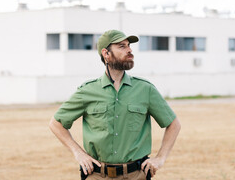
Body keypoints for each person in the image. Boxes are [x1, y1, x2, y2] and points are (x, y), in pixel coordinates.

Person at [49, 30, 181, 180]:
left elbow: (173, 124)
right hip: (96, 175)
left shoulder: (145, 89)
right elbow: (56, 123)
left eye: (129, 46)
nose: (129, 50)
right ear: (106, 53)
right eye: (122, 46)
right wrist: (78, 153)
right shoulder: (87, 91)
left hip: (136, 175)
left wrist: (160, 158)